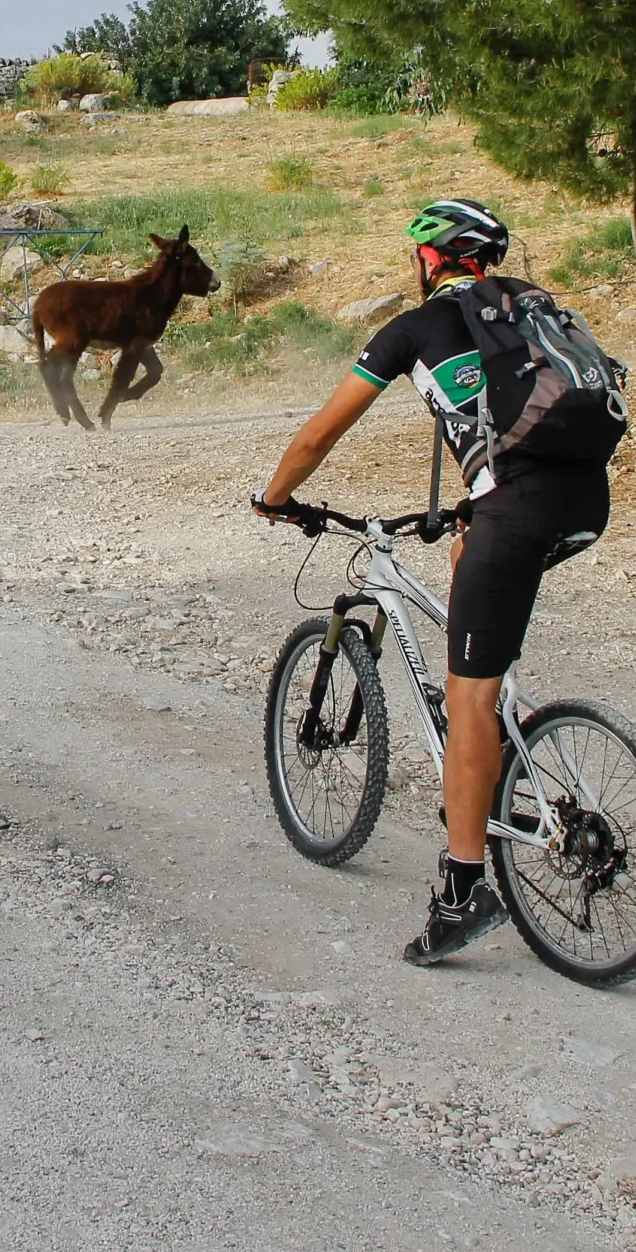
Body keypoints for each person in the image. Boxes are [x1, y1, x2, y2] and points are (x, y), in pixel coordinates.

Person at [254, 199, 609, 965]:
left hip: (515, 505)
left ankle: (463, 888)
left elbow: (321, 431)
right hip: (585, 496)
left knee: (470, 689)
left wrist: (275, 496)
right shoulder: (530, 309)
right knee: (476, 592)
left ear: (431, 259)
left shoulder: (415, 329)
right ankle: (494, 719)